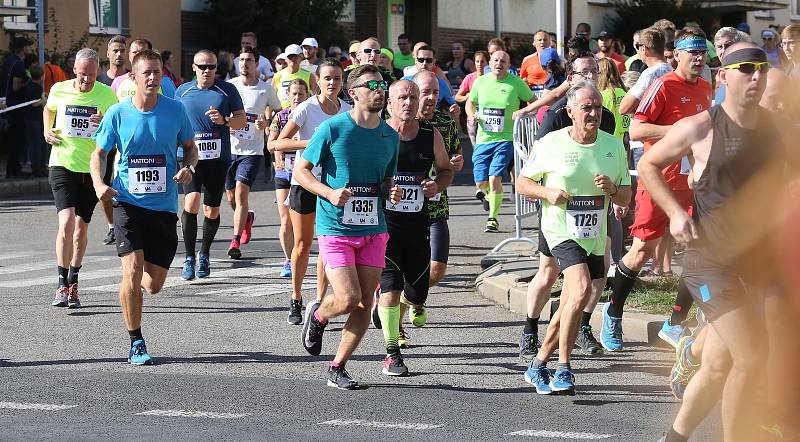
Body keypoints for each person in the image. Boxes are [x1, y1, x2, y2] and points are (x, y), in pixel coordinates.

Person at [642, 43, 788, 442]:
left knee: (721, 364)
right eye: (746, 68)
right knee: (752, 357)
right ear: (723, 76)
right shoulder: (701, 127)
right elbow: (647, 164)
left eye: (761, 68)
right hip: (711, 264)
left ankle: (673, 438)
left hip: (759, 264)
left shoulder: (775, 129)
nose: (756, 76)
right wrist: (674, 212)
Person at [602, 28, 712, 352]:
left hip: (692, 184)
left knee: (700, 253)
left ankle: (674, 324)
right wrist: (680, 131)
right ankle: (613, 312)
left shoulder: (707, 87)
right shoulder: (663, 85)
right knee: (641, 251)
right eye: (692, 52)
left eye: (702, 52)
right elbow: (636, 128)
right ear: (675, 54)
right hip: (658, 181)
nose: (698, 57)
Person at [518, 81, 631, 395]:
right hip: (560, 229)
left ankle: (538, 364)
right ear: (570, 112)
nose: (593, 112)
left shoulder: (613, 146)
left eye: (597, 107)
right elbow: (523, 183)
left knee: (572, 301)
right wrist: (547, 192)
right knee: (581, 288)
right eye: (586, 107)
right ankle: (564, 368)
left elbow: (625, 197)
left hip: (594, 234)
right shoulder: (552, 143)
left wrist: (611, 189)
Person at [296, 64, 401, 390]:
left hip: (373, 227)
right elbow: (302, 171)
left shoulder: (389, 136)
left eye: (383, 84)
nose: (380, 90)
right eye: (372, 85)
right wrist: (328, 192)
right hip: (336, 228)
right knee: (348, 297)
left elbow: (385, 181)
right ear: (353, 93)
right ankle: (318, 316)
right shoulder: (332, 129)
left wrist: (391, 190)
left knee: (364, 303)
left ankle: (337, 366)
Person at [90, 49, 197, 365]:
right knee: (132, 271)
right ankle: (136, 341)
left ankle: (133, 292)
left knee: (153, 285)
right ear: (133, 78)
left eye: (157, 72)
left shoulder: (175, 111)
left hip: (163, 208)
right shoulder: (118, 114)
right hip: (127, 203)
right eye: (146, 73)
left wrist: (189, 168)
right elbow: (99, 153)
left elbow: (190, 149)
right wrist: (99, 184)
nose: (152, 78)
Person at [378, 80, 452, 376]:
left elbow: (446, 170)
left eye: (412, 96)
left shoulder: (429, 134)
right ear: (389, 103)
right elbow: (362, 174)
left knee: (417, 290)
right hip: (385, 227)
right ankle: (392, 353)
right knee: (390, 289)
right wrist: (386, 188)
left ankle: (417, 303)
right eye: (402, 98)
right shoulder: (379, 134)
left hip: (418, 225)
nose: (408, 102)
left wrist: (437, 184)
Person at [272, 58, 350, 325]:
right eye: (327, 78)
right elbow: (279, 143)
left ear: (342, 82)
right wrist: (314, 141)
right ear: (317, 80)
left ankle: (318, 299)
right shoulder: (306, 109)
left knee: (327, 246)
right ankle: (295, 298)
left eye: (337, 79)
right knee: (303, 244)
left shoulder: (348, 110)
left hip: (333, 186)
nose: (332, 83)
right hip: (304, 182)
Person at [43, 48, 117, 308]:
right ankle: (61, 283)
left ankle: (74, 281)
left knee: (81, 228)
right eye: (83, 75)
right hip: (62, 163)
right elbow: (48, 110)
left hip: (92, 168)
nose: (87, 81)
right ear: (75, 69)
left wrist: (104, 122)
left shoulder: (107, 94)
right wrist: (46, 131)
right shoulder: (60, 89)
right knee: (66, 223)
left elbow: (116, 127)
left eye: (92, 76)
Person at [176, 50, 246, 280]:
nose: (207, 71)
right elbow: (174, 120)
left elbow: (241, 119)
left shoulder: (227, 90)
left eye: (212, 67)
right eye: (202, 67)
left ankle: (204, 252)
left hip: (218, 158)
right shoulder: (183, 91)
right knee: (192, 200)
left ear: (217, 68)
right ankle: (188, 257)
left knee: (212, 209)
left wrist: (224, 120)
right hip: (190, 155)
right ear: (194, 68)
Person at [466, 50, 534, 233]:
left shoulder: (516, 83)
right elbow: (470, 102)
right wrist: (471, 115)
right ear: (490, 62)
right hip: (483, 139)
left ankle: (493, 219)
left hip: (505, 139)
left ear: (508, 65)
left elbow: (533, 101)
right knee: (480, 181)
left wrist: (524, 114)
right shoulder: (481, 82)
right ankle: (488, 196)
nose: (499, 63)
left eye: (503, 61)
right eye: (496, 60)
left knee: (495, 177)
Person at [226, 47, 281, 259]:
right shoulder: (230, 86)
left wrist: (266, 122)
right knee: (231, 196)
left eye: (249, 60)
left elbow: (278, 111)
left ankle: (235, 240)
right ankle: (246, 217)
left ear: (257, 63)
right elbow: (221, 109)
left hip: (252, 150)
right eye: (241, 60)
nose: (244, 64)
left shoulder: (265, 89)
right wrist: (227, 122)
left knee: (241, 193)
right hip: (229, 148)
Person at [267, 79, 309, 280]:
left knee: (304, 221)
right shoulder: (281, 116)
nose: (297, 97)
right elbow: (270, 145)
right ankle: (288, 260)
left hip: (306, 174)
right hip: (284, 172)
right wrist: (285, 146)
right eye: (294, 93)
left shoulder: (311, 115)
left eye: (301, 94)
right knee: (286, 221)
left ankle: (302, 255)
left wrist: (295, 144)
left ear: (307, 95)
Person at [95, 35, 129, 246]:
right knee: (103, 186)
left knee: (124, 186)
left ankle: (127, 223)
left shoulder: (131, 80)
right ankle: (111, 226)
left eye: (122, 51)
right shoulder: (99, 81)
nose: (119, 54)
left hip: (127, 143)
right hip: (106, 143)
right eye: (115, 50)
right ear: (107, 54)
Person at [619, 27, 670, 115]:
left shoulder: (650, 74)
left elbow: (623, 108)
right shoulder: (672, 69)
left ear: (643, 49)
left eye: (638, 46)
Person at [1, 36, 32, 178]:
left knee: (12, 139)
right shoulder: (19, 64)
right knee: (17, 140)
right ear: (24, 48)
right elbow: (15, 86)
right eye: (28, 46)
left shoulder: (8, 61)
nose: (30, 49)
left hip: (8, 105)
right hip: (16, 107)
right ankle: (14, 170)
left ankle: (12, 169)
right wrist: (29, 82)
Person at [111, 39, 176, 100]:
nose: (138, 55)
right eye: (134, 52)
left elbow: (172, 108)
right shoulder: (118, 82)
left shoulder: (165, 82)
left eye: (142, 52)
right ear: (129, 55)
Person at [455, 50, 488, 147]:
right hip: (472, 115)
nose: (479, 64)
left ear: (487, 63)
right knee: (475, 146)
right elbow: (458, 97)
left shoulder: (491, 78)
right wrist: (467, 96)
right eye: (477, 61)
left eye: (482, 61)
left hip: (487, 116)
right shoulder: (469, 78)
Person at [272, 44, 318, 109]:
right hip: (282, 113)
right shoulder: (277, 76)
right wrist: (269, 118)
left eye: (295, 56)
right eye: (290, 56)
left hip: (303, 111)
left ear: (301, 57)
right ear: (286, 59)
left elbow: (318, 95)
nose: (293, 59)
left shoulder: (309, 75)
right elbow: (271, 98)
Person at [22, 65, 47, 178]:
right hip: (36, 119)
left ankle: (34, 166)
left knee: (32, 143)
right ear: (42, 76)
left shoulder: (27, 85)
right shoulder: (37, 88)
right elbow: (34, 103)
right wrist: (43, 100)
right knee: (38, 143)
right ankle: (39, 167)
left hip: (27, 118)